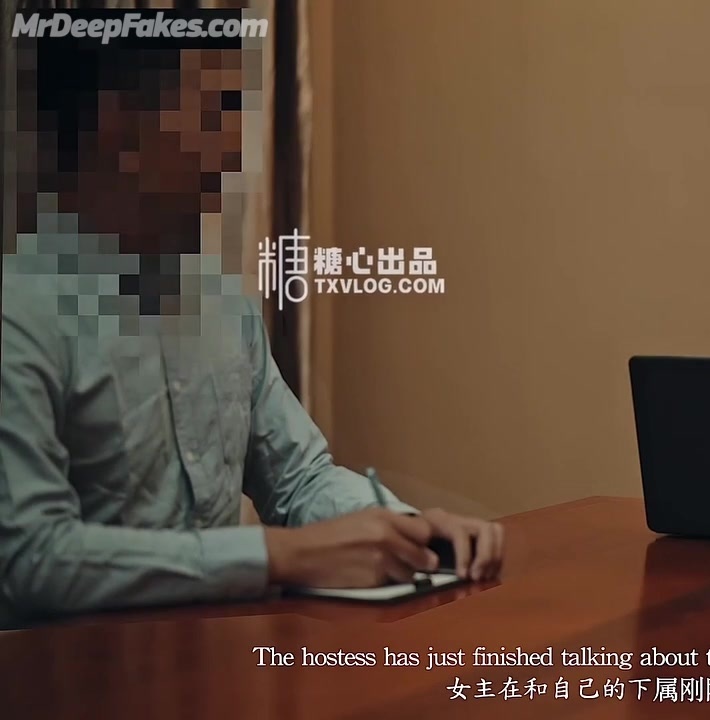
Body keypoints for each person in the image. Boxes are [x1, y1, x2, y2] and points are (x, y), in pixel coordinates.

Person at [0, 38, 503, 629]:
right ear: (120, 122)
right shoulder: (19, 312)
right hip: (65, 673)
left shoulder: (219, 305)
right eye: (214, 114)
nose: (235, 151)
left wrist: (412, 532)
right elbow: (31, 556)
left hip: (217, 664)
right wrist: (279, 557)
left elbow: (299, 480)